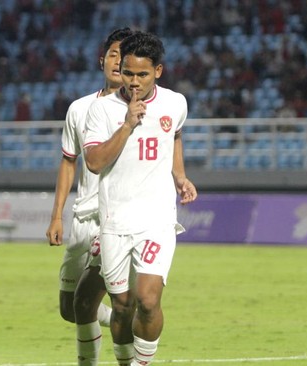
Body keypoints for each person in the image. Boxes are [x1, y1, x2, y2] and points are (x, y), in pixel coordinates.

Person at [83, 31, 197, 366]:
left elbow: (174, 135)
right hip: (115, 222)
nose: (134, 82)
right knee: (122, 306)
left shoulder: (175, 103)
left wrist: (179, 175)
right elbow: (94, 162)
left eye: (142, 75)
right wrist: (127, 126)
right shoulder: (102, 110)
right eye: (129, 73)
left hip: (157, 220)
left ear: (158, 72)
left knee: (147, 300)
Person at [46, 27, 134, 366]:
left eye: (125, 57)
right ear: (102, 61)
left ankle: (122, 348)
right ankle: (123, 318)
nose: (118, 61)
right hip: (83, 218)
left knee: (85, 303)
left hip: (114, 219)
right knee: (70, 309)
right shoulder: (79, 109)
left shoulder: (142, 112)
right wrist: (57, 216)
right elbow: (69, 162)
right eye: (113, 54)